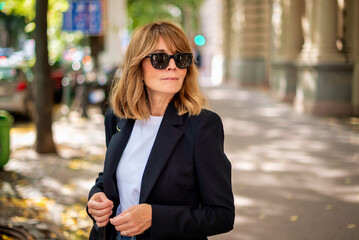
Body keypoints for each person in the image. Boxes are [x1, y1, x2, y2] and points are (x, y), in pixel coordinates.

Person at [87, 21, 235, 240]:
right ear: (137, 65)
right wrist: (96, 195)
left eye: (181, 58)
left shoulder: (203, 126)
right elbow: (111, 177)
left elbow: (221, 215)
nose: (172, 66)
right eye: (160, 58)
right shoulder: (118, 118)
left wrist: (154, 217)